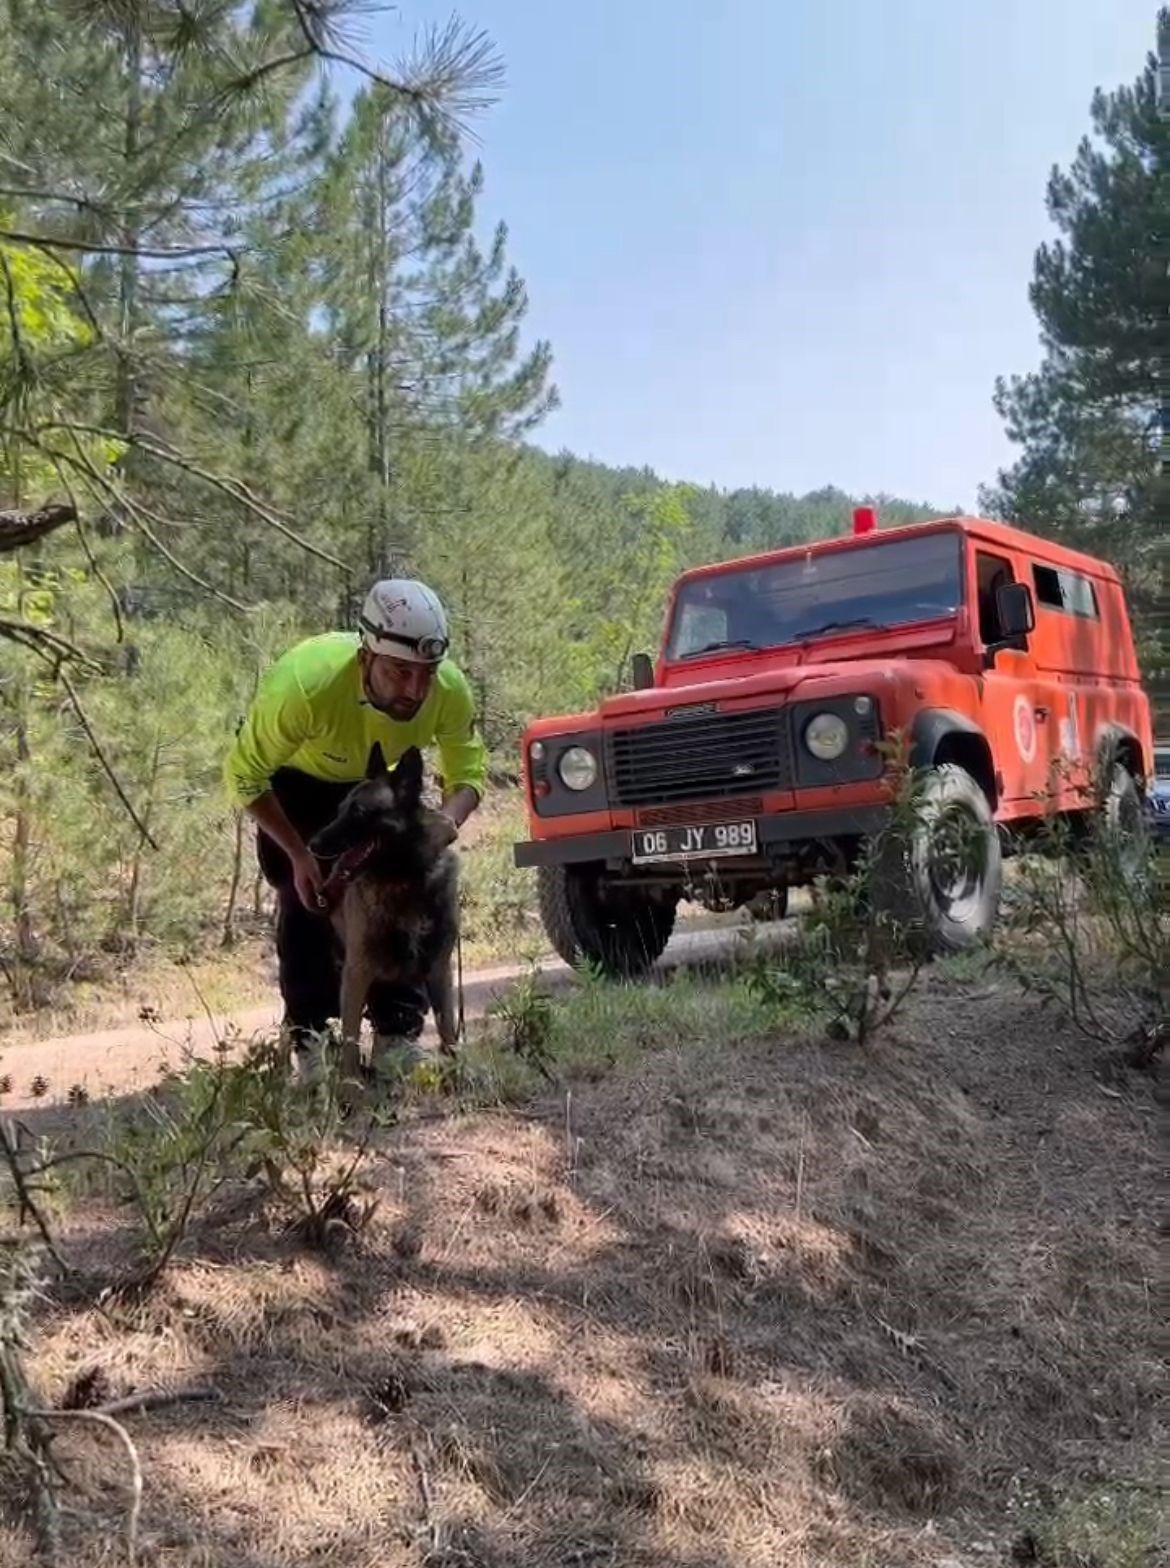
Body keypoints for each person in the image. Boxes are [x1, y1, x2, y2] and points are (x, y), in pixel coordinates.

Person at [223, 578, 486, 1067]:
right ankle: (311, 1040)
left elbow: (468, 773)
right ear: (366, 658)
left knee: (405, 891)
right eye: (400, 672)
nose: (415, 689)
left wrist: (447, 821)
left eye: (427, 673)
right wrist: (298, 854)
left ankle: (398, 1036)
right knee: (310, 899)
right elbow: (243, 778)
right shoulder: (307, 685)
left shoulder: (447, 691)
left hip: (377, 781)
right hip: (298, 781)